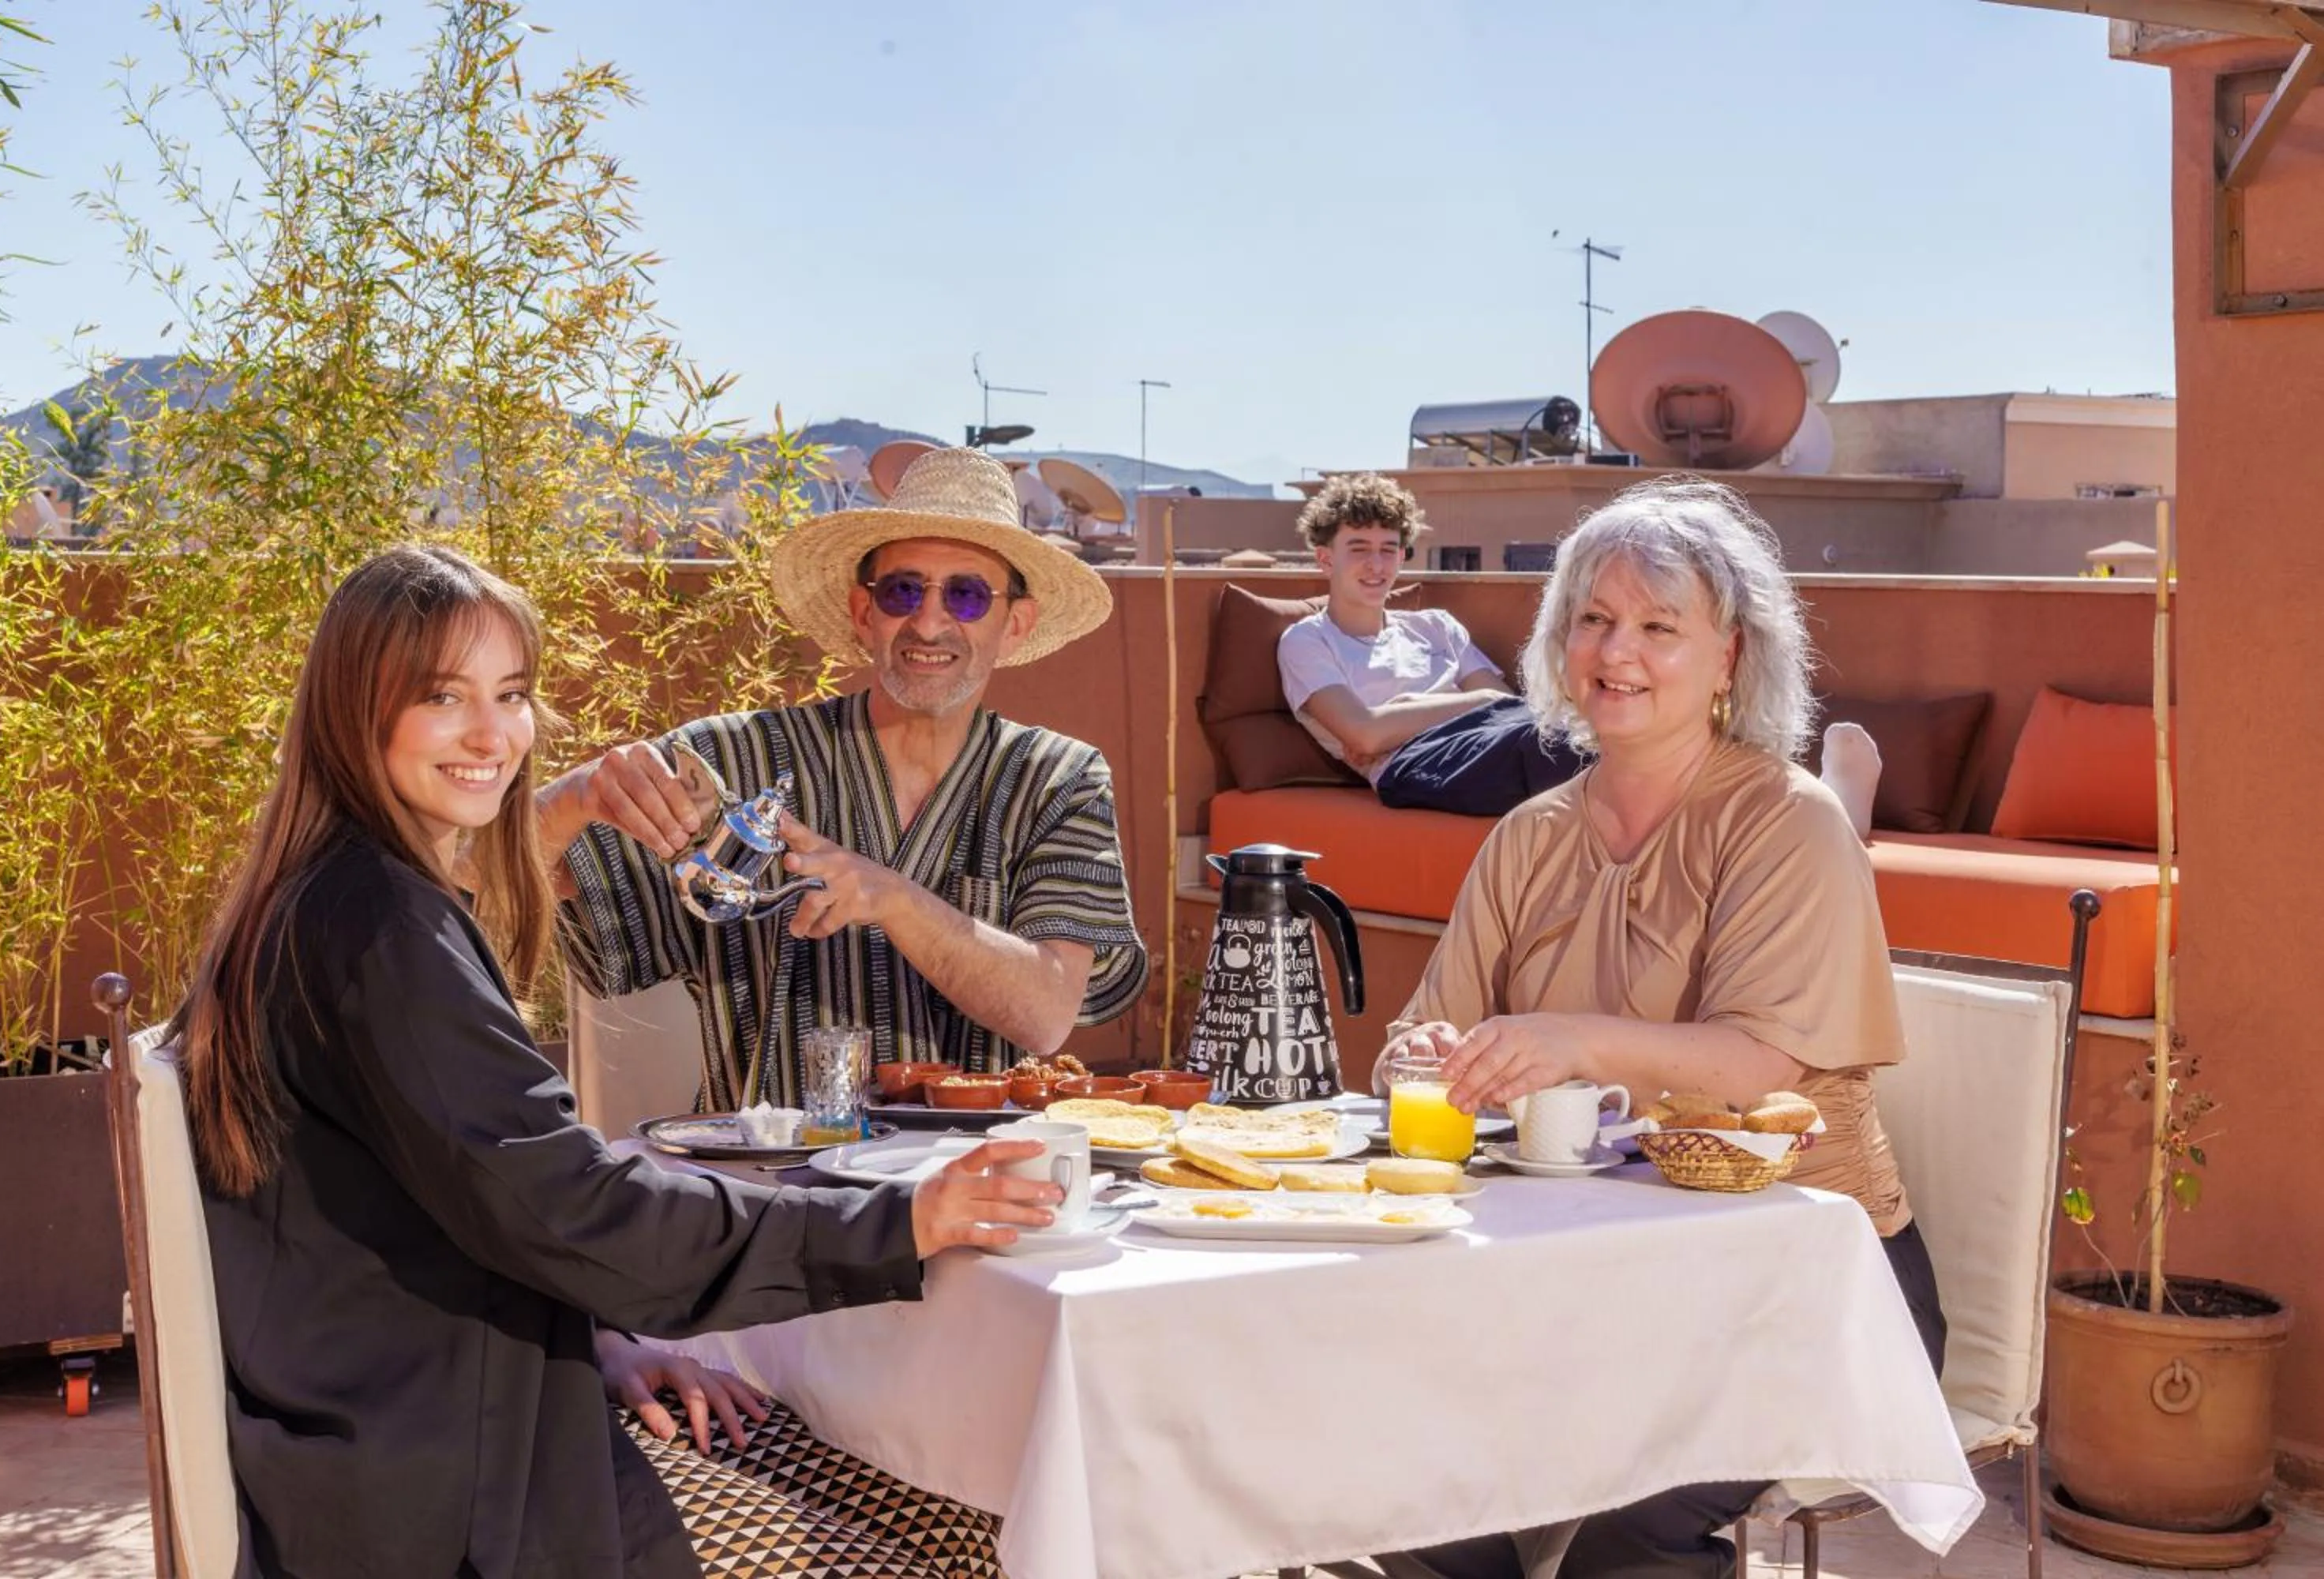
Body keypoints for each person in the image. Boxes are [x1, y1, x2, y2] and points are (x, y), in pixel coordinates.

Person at [177, 544, 1055, 1577]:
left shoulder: (330, 896)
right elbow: (575, 1206)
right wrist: (901, 1222)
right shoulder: (380, 929)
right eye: (441, 697)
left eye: (511, 694)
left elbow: (466, 1204)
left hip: (394, 1421)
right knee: (964, 1534)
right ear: (351, 709)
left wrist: (590, 1337)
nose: (491, 735)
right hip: (455, 1493)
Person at [1370, 476, 1943, 1579]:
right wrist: (1433, 1058)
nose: (1615, 650)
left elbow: (1758, 1060)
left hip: (1812, 1286)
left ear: (1730, 654)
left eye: (1657, 625)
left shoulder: (1789, 822)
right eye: (1592, 618)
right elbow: (1415, 1042)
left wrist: (1566, 1038)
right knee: (1409, 1483)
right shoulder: (1529, 837)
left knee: (1629, 1531)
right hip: (1579, 1289)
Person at [546, 447, 1147, 1110]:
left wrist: (891, 898)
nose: (928, 621)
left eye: (968, 595)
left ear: (1015, 625)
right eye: (903, 590)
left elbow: (1045, 1014)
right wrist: (569, 801)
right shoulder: (730, 762)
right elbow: (489, 885)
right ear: (865, 614)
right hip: (771, 1185)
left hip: (974, 1184)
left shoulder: (1057, 779)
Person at [1279, 472, 1581, 816]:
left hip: (1488, 736)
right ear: (1325, 559)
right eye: (1359, 549)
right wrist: (1475, 700)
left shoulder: (1436, 626)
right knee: (1551, 743)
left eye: (1388, 550)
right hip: (1415, 762)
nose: (1376, 565)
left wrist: (1402, 711)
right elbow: (1364, 735)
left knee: (1587, 728)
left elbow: (1503, 705)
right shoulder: (1307, 640)